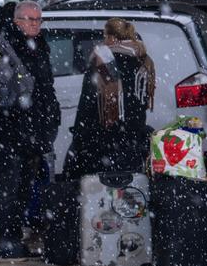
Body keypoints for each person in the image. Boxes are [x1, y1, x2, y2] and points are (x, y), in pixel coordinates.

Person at [0, 0, 61, 258]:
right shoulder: (9, 48)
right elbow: (6, 93)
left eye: (38, 19)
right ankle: (4, 239)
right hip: (14, 132)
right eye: (30, 19)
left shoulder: (39, 46)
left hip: (34, 131)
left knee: (23, 188)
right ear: (17, 21)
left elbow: (45, 89)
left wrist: (49, 119)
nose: (36, 24)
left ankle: (11, 236)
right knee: (9, 188)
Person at [63, 17, 155, 176]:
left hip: (101, 144)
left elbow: (86, 106)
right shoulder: (144, 62)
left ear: (112, 37)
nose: (104, 40)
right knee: (130, 188)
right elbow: (141, 104)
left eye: (106, 36)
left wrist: (79, 137)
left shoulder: (101, 62)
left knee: (102, 193)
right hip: (132, 141)